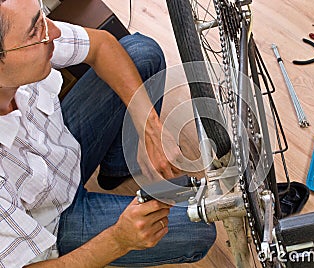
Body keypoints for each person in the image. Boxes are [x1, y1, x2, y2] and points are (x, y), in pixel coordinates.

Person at [0, 0, 216, 267]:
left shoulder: (24, 34)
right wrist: (119, 240)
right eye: (35, 31)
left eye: (42, 17)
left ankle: (117, 169)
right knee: (200, 227)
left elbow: (101, 45)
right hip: (53, 222)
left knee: (142, 52)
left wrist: (149, 128)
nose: (54, 32)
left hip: (61, 150)